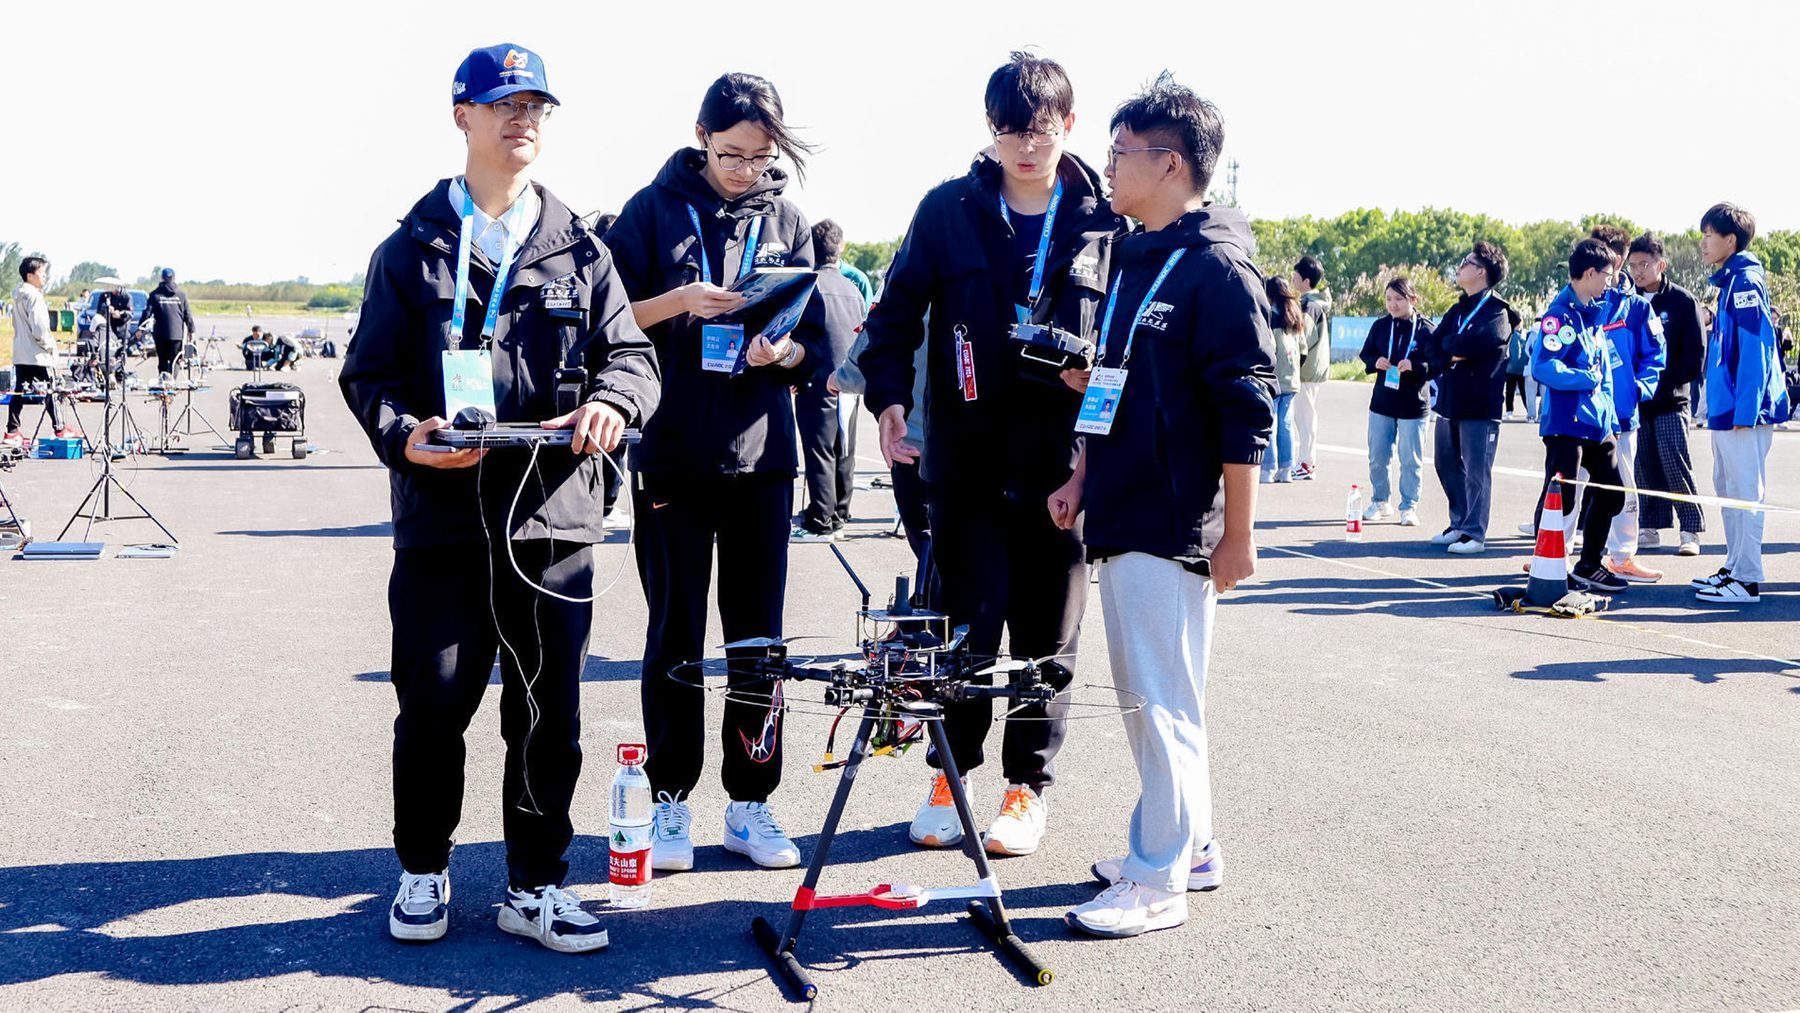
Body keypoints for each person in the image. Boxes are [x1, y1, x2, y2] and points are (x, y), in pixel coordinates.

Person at [338, 43, 660, 954]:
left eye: (537, 105)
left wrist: (611, 400)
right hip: (442, 522)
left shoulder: (580, 248)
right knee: (433, 702)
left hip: (552, 518)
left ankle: (535, 883)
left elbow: (633, 357)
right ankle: (423, 868)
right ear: (463, 116)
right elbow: (368, 376)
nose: (524, 119)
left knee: (548, 710)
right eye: (504, 102)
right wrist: (403, 434)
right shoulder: (410, 249)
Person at [857, 51, 1125, 857]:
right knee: (966, 631)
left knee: (1048, 639)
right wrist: (888, 402)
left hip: (1061, 468)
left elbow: (1126, 353)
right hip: (965, 466)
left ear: (1067, 127)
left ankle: (1025, 788)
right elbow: (894, 316)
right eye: (1012, 130)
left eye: (1042, 129)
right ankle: (951, 772)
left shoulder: (1105, 222)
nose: (1027, 146)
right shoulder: (948, 211)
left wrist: (1090, 460)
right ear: (990, 129)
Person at [1047, 75, 1273, 937]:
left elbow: (1248, 402)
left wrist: (1240, 533)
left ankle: (1156, 877)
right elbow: (1115, 380)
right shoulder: (1140, 250)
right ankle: (1194, 845)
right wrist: (1080, 475)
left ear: (1170, 162)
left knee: (1158, 699)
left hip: (1173, 518)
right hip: (1123, 501)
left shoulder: (1216, 263)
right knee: (1161, 694)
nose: (1106, 164)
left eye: (1119, 151)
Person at [603, 71, 827, 873]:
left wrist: (784, 349)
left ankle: (751, 799)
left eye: (761, 158)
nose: (745, 170)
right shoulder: (650, 210)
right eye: (731, 153)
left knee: (758, 638)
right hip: (672, 453)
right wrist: (679, 303)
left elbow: (816, 347)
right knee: (674, 631)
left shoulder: (790, 219)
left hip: (764, 457)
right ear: (701, 135)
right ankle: (669, 799)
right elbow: (608, 319)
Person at [1692, 202, 1790, 604]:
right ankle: (1734, 567)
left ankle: (1747, 579)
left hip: (1742, 411)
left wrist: (1745, 411)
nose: (1703, 243)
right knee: (1728, 488)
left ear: (1730, 240)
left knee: (1746, 492)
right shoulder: (1730, 282)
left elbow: (1755, 351)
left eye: (1709, 235)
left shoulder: (1746, 283)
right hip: (1726, 409)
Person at [1530, 239, 1629, 594]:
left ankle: (1590, 564)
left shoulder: (1594, 315)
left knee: (1612, 494)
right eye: (1607, 275)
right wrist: (1583, 379)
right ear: (1588, 273)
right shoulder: (1560, 316)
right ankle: (1548, 566)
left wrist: (1612, 421)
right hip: (1566, 423)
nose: (1611, 282)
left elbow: (1605, 373)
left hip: (1598, 424)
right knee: (1561, 498)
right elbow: (1543, 366)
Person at [1582, 226, 1666, 585]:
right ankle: (1552, 551)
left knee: (1623, 489)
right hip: (1581, 416)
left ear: (1617, 261)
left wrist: (1637, 390)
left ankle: (1622, 556)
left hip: (1621, 418)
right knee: (1568, 485)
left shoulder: (1636, 308)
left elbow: (1655, 356)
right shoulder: (1580, 301)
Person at [1428, 240, 1519, 555]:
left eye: (1466, 262)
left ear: (1482, 271)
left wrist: (1453, 348)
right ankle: (1458, 523)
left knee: (1477, 471)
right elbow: (1434, 344)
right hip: (1451, 400)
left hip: (1479, 404)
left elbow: (1480, 342)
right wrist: (1452, 350)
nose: (1460, 267)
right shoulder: (1457, 308)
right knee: (1445, 462)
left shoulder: (1498, 311)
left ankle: (1475, 533)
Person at [1626, 232, 1706, 557]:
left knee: (1675, 461)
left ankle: (1690, 530)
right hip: (1637, 400)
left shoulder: (1683, 302)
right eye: (1631, 265)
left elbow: (1694, 356)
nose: (1637, 272)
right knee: (1642, 464)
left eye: (1643, 264)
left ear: (1661, 264)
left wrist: (1664, 382)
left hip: (1672, 400)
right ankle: (1650, 528)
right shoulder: (1626, 303)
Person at [792, 219, 867, 541]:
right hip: (849, 379)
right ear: (841, 249)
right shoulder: (852, 287)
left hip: (817, 379)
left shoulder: (808, 285)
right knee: (844, 448)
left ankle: (820, 518)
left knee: (820, 450)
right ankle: (839, 511)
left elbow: (796, 333)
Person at [1358, 276, 1436, 526]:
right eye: (1389, 299)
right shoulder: (1381, 326)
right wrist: (1375, 362)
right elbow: (1366, 352)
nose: (1393, 304)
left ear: (1413, 299)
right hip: (1382, 402)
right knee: (1378, 456)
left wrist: (1416, 366)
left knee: (1410, 460)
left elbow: (1436, 363)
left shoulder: (1426, 329)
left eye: (1399, 299)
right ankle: (1380, 501)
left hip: (1413, 405)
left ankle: (1409, 506)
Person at [5, 256, 70, 446]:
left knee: (19, 392)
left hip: (21, 351)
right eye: (42, 273)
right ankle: (60, 428)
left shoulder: (18, 294)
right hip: (37, 353)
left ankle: (12, 430)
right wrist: (50, 346)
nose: (46, 277)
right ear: (30, 276)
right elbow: (39, 328)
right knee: (51, 390)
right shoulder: (34, 295)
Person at [1260, 276, 1304, 483]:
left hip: (1275, 378)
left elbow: (1271, 349)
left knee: (1270, 422)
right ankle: (1286, 468)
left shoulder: (1271, 315)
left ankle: (1268, 468)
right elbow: (1302, 349)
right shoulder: (1295, 314)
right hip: (1292, 378)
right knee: (1285, 424)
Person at [1290, 255, 1331, 479]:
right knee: (1306, 417)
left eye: (1296, 275)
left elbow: (1301, 338)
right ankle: (1306, 462)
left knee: (1304, 418)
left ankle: (1306, 463)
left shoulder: (1309, 305)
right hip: (1312, 369)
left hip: (1306, 370)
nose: (1293, 278)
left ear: (1306, 280)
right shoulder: (1313, 303)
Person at [140, 267, 195, 382]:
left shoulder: (155, 295)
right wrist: (191, 331)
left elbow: (147, 313)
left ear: (162, 278)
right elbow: (187, 314)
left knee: (163, 361)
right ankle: (171, 383)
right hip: (176, 334)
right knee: (175, 360)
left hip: (160, 334)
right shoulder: (181, 295)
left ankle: (163, 383)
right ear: (173, 278)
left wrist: (140, 328)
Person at [1504, 322, 1529, 419]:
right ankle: (1511, 411)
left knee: (1518, 391)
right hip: (1516, 368)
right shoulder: (1522, 334)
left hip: (1516, 368)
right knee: (1514, 391)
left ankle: (1512, 411)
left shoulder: (1522, 334)